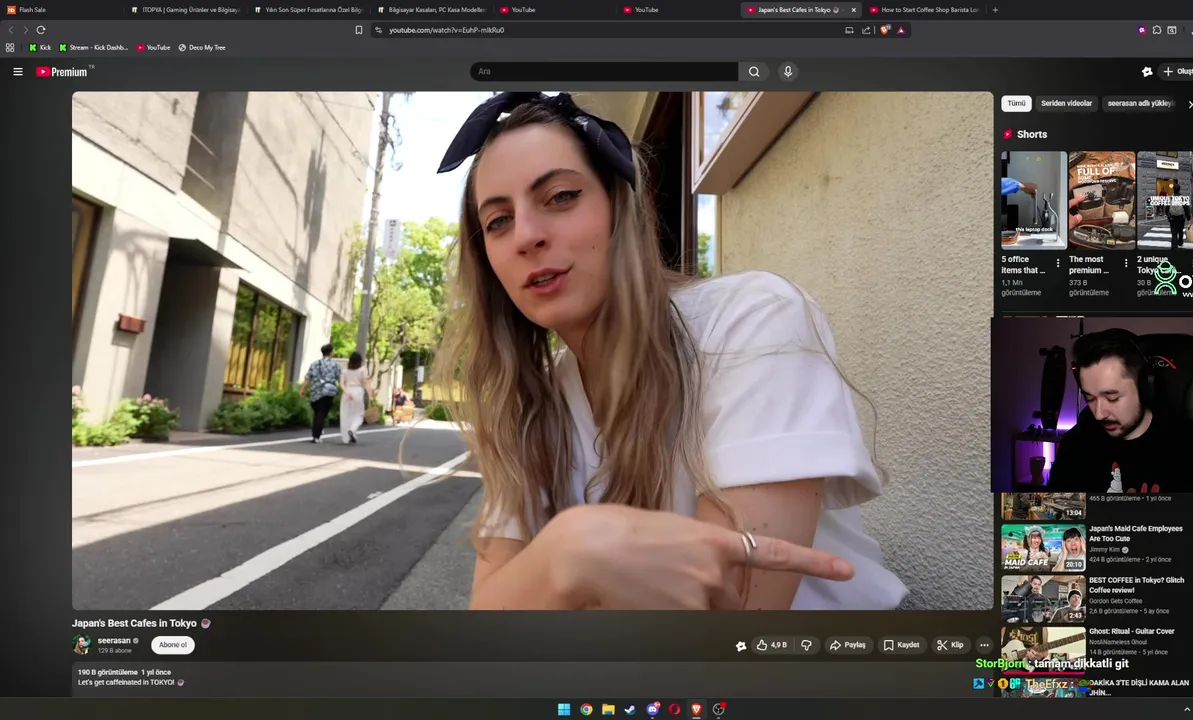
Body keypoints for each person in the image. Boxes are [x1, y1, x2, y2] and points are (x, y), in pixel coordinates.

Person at [428, 91, 908, 610]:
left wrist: (567, 559)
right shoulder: (529, 405)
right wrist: (565, 556)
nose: (525, 235)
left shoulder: (751, 321)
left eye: (561, 196)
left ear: (620, 209)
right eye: (498, 221)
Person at [1047, 329, 1193, 493]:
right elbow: (1050, 514)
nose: (1099, 414)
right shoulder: (1075, 445)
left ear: (1144, 387)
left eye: (1112, 398)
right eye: (1090, 398)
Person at [299, 343, 342, 444]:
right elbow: (340, 379)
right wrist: (345, 391)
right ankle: (317, 435)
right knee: (322, 414)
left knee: (318, 412)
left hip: (315, 392)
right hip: (328, 392)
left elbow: (308, 378)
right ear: (331, 353)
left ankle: (317, 431)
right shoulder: (335, 365)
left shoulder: (315, 364)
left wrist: (303, 389)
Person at [339, 352, 373, 444]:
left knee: (346, 415)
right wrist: (370, 395)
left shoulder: (344, 371)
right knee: (359, 414)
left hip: (347, 393)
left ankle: (346, 438)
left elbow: (342, 384)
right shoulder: (363, 370)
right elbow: (366, 383)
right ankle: (352, 429)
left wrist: (347, 392)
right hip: (358, 392)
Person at [1167, 181, 1186, 248]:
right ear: (1179, 189)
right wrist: (1189, 218)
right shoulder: (1182, 198)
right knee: (1180, 231)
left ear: (1173, 189)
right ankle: (1180, 242)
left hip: (1173, 218)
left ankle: (1174, 246)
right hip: (1181, 218)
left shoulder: (1171, 197)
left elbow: (1167, 208)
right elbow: (1186, 208)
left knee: (1174, 233)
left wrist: (1168, 216)